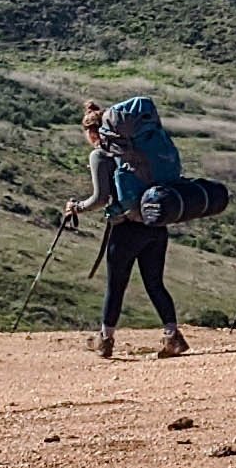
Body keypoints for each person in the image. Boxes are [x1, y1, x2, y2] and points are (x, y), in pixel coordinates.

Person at [63, 100, 188, 361]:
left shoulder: (101, 154)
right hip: (156, 222)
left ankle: (105, 339)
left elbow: (99, 198)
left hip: (127, 229)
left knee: (116, 285)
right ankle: (172, 335)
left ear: (93, 133)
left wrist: (77, 207)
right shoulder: (137, 149)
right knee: (154, 283)